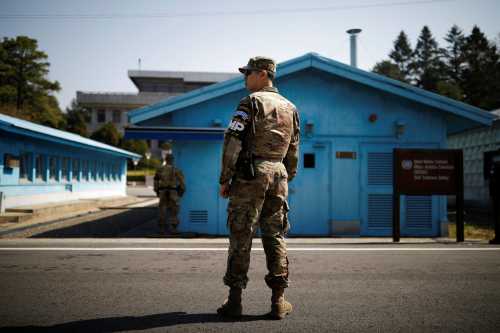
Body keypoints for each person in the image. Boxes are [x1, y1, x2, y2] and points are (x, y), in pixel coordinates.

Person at [217, 56, 300, 319]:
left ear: (264, 74)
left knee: (241, 234)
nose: (245, 78)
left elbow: (233, 140)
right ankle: (278, 302)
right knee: (275, 235)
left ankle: (235, 301)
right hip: (279, 174)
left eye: (249, 73)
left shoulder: (250, 103)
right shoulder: (291, 107)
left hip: (251, 174)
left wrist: (225, 178)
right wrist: (287, 175)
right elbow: (294, 149)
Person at [154, 152, 185, 235]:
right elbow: (182, 182)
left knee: (162, 210)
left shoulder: (160, 169)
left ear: (166, 160)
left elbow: (156, 181)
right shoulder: (176, 170)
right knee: (174, 210)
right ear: (172, 160)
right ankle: (173, 228)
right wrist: (182, 191)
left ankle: (161, 228)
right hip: (173, 192)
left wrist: (156, 191)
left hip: (163, 191)